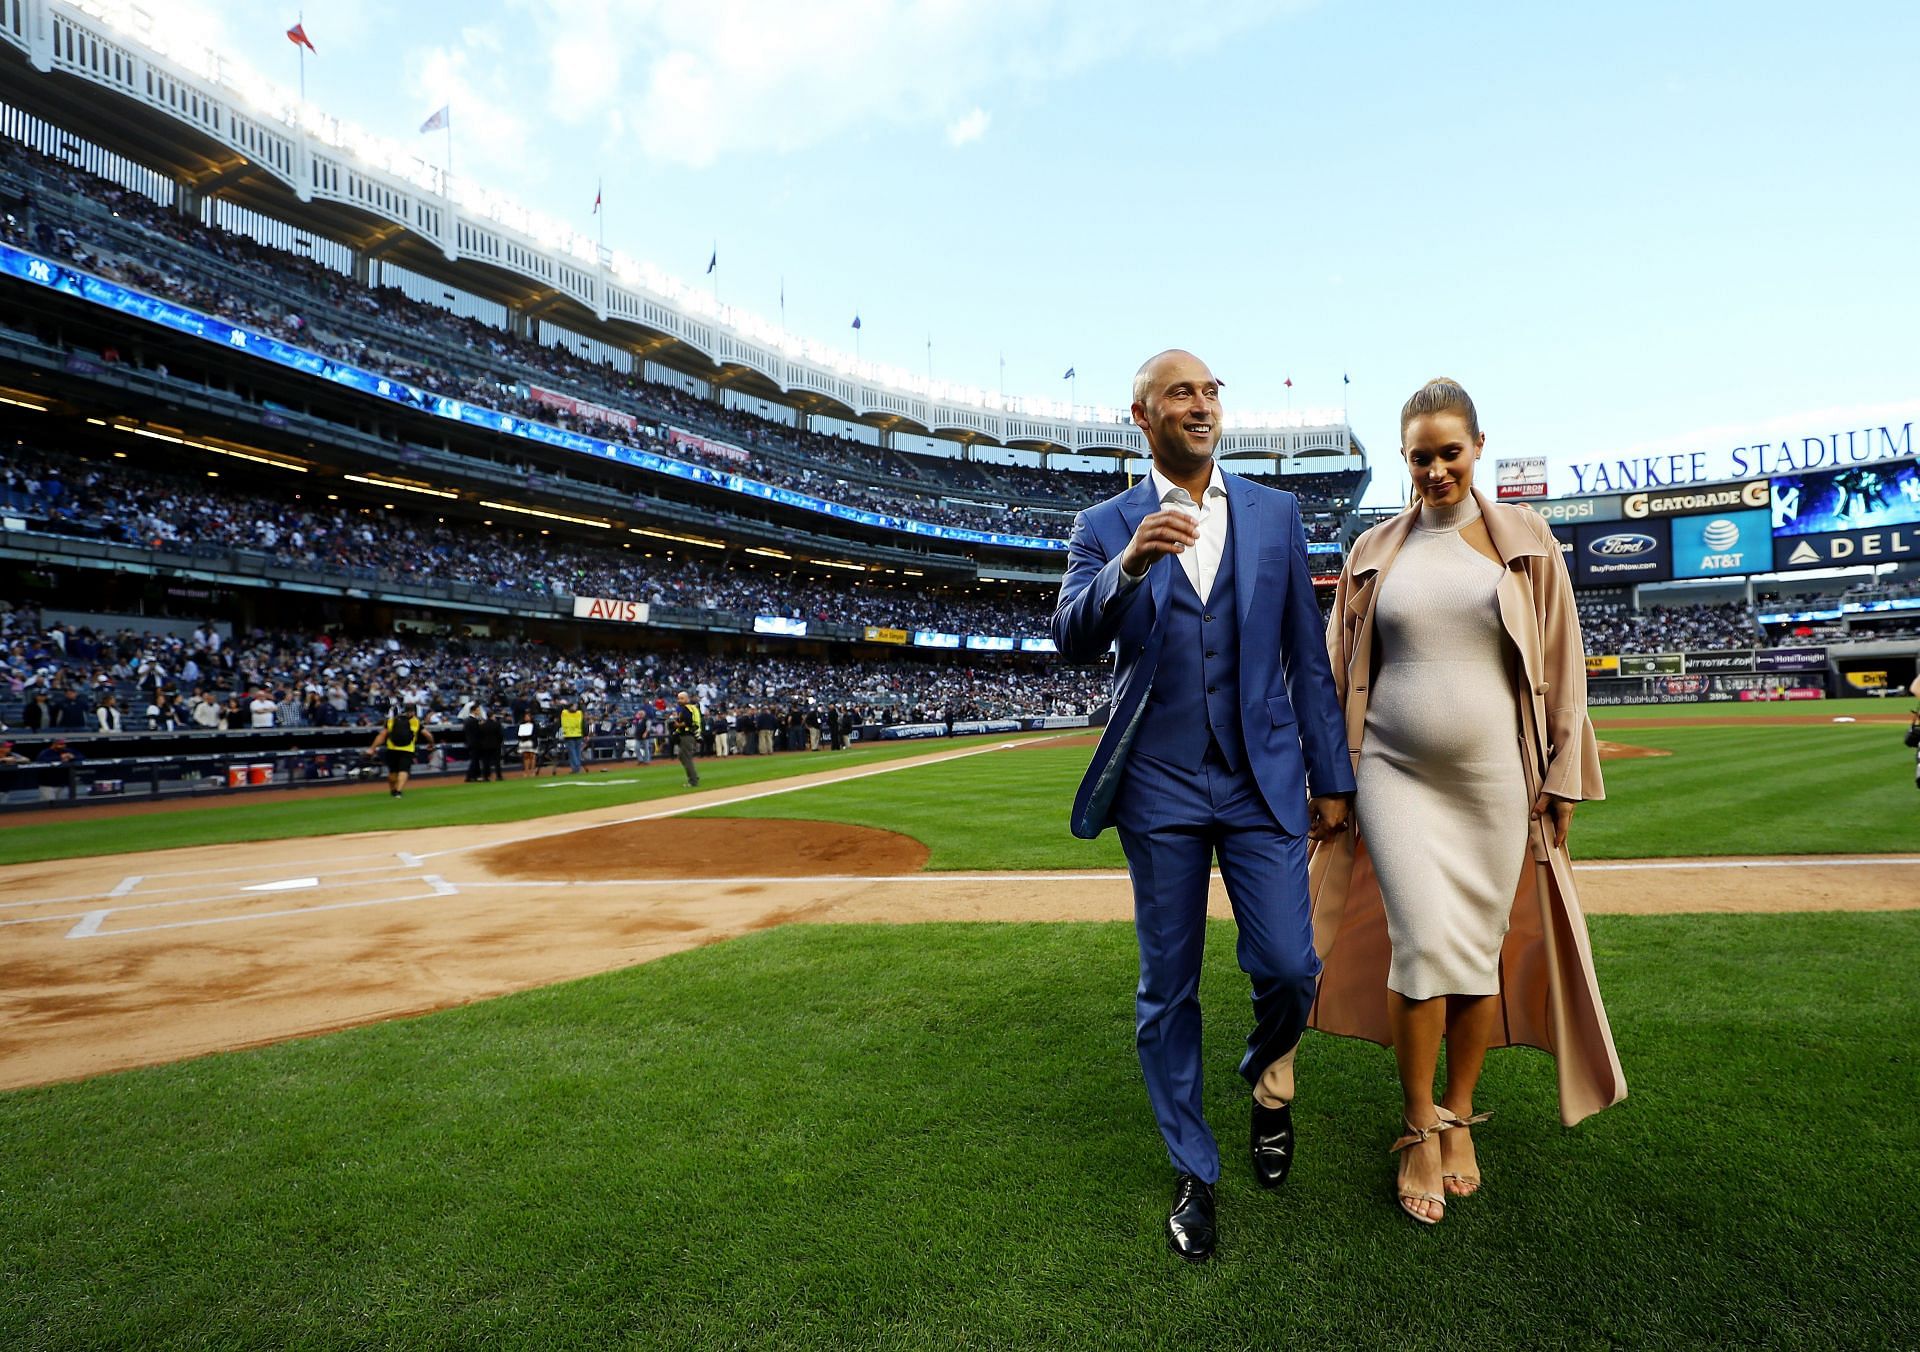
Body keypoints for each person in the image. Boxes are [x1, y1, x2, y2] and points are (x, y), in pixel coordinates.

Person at [1052, 349, 1354, 1264]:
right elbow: (1070, 636)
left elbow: (1306, 655)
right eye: (1181, 391)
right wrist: (1129, 568)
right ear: (1140, 416)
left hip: (1262, 776)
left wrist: (1332, 778)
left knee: (1292, 964)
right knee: (1167, 986)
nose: (1202, 403)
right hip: (1160, 784)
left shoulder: (1277, 512)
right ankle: (1194, 1165)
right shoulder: (1102, 524)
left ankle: (1268, 1076)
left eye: (1211, 391)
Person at [1309, 377, 1626, 1227]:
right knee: (1421, 946)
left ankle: (1459, 1117)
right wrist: (1330, 782)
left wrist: (1562, 779)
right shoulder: (1373, 548)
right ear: (1404, 460)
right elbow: (1337, 669)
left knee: (1478, 952)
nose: (1437, 468)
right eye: (1420, 456)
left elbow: (1562, 667)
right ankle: (1417, 1128)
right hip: (1393, 774)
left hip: (1496, 780)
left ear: (1477, 448)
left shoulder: (1528, 544)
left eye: (1451, 451)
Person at [368, 705, 432, 798]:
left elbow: (382, 735)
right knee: (404, 770)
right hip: (407, 749)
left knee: (393, 771)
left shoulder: (392, 720)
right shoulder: (415, 721)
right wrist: (431, 743)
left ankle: (393, 790)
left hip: (392, 749)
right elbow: (427, 734)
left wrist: (372, 748)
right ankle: (398, 791)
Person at [673, 689, 703, 788]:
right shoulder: (691, 708)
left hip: (688, 735)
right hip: (690, 734)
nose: (679, 700)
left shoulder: (686, 708)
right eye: (678, 698)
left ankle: (693, 780)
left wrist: (678, 725)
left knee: (686, 758)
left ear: (687, 699)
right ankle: (693, 777)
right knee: (682, 756)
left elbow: (688, 722)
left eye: (682, 698)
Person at [559, 696, 587, 774]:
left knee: (573, 752)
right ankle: (576, 768)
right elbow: (584, 723)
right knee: (576, 752)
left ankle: (576, 767)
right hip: (575, 734)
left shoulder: (565, 713)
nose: (575, 707)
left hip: (571, 735)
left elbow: (583, 724)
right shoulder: (579, 713)